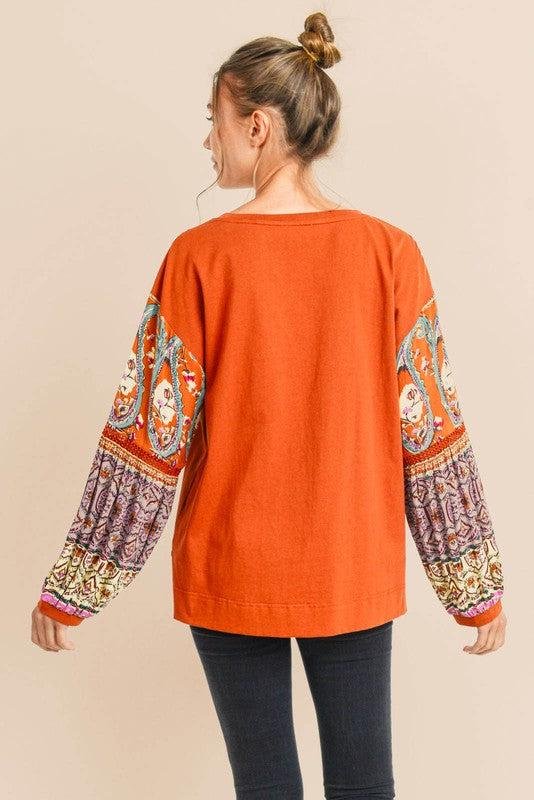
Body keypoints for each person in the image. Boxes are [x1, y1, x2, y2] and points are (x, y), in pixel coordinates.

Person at [31, 11, 507, 800]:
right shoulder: (391, 253)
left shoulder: (198, 258)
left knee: (263, 787)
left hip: (231, 565)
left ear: (255, 126)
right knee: (365, 784)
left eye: (213, 121)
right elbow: (430, 429)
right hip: (350, 563)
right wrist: (473, 588)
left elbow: (147, 436)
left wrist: (76, 587)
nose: (207, 140)